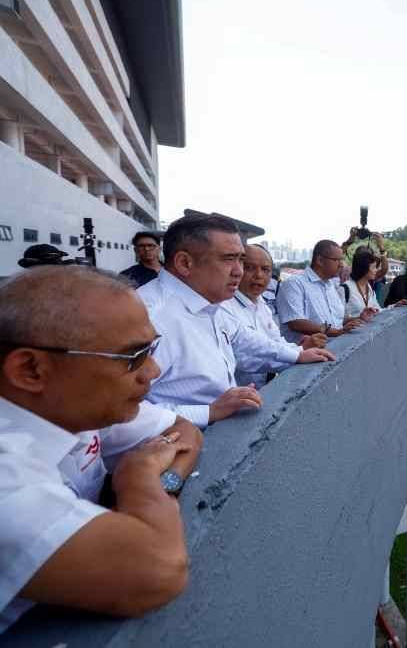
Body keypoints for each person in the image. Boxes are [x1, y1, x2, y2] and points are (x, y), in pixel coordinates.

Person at [0, 266, 196, 631]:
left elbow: (183, 432)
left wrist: (163, 480)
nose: (152, 371)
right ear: (30, 370)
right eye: (133, 357)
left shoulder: (71, 403)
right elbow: (156, 571)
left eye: (151, 349)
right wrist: (139, 478)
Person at [138, 215, 334, 429]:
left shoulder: (208, 304)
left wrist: (297, 354)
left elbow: (246, 339)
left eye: (240, 259)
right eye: (228, 259)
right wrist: (208, 412)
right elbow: (115, 416)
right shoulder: (148, 318)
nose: (239, 271)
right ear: (185, 263)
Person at [221, 244, 326, 386]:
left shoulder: (262, 305)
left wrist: (299, 349)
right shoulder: (223, 306)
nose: (258, 275)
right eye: (250, 268)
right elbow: (243, 359)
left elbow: (275, 342)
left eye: (265, 269)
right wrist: (298, 354)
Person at [276, 240, 372, 344]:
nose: (342, 265)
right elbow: (296, 323)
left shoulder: (330, 285)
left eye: (342, 260)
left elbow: (336, 320)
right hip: (308, 354)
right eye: (337, 260)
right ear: (320, 260)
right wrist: (337, 332)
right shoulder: (294, 284)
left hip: (334, 347)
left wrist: (358, 318)